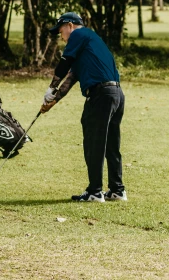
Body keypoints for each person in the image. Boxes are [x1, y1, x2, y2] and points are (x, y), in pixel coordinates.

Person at [41, 11, 126, 203]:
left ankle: (95, 191)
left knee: (94, 143)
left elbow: (64, 64)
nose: (62, 37)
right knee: (111, 143)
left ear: (70, 26)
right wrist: (51, 102)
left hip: (101, 95)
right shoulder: (88, 45)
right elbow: (71, 78)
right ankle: (117, 190)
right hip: (116, 95)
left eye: (61, 31)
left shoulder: (79, 34)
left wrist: (50, 87)